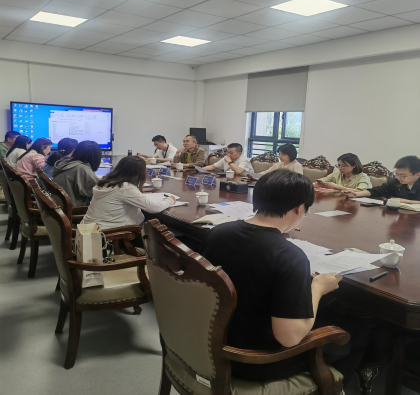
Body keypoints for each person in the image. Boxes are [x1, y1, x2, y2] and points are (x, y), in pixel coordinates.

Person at [200, 170, 370, 387]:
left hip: (211, 340)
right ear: (299, 208)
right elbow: (289, 338)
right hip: (254, 360)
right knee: (359, 330)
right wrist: (318, 287)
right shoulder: (290, 256)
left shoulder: (217, 233)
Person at [82, 156, 176, 246]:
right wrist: (170, 200)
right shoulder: (125, 188)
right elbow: (155, 208)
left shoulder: (105, 182)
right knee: (160, 239)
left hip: (90, 231)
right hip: (110, 237)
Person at [345, 155, 420, 204]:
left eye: (403, 176)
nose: (398, 177)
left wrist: (404, 201)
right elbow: (379, 190)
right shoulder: (397, 181)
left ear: (417, 174)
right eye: (396, 174)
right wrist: (356, 194)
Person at [52, 140, 101, 206]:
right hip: (74, 207)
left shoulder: (65, 163)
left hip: (61, 206)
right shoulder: (81, 168)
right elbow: (98, 191)